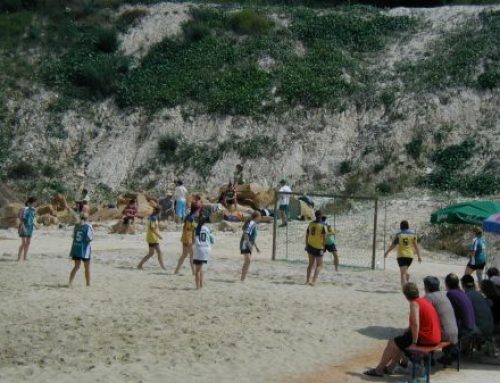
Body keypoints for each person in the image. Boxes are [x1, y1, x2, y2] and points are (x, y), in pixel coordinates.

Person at [364, 283, 441, 377]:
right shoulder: (424, 301)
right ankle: (390, 368)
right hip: (436, 337)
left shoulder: (414, 303)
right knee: (400, 343)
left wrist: (414, 342)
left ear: (406, 295)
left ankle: (378, 370)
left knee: (392, 343)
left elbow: (416, 324)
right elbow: (418, 322)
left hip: (426, 338)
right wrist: (408, 330)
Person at [384, 220, 422, 289]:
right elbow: (416, 246)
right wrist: (419, 256)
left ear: (400, 227)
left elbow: (393, 245)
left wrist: (387, 252)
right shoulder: (413, 235)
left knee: (402, 274)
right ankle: (407, 280)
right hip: (410, 256)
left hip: (401, 255)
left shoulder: (399, 235)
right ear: (408, 226)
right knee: (404, 272)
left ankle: (404, 289)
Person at [423, 276, 458, 345]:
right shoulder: (443, 295)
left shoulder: (428, 298)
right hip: (455, 332)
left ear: (426, 287)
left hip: (445, 335)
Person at [174, 203, 201, 275]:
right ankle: (193, 272)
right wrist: (193, 238)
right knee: (191, 255)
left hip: (186, 236)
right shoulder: (191, 218)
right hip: (188, 237)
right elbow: (189, 228)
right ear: (197, 210)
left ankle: (176, 270)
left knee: (184, 254)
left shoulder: (190, 216)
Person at [68, 214, 94, 287]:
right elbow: (90, 238)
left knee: (76, 266)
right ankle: (88, 284)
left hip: (76, 248)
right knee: (87, 267)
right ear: (87, 218)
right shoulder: (88, 226)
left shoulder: (76, 226)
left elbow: (73, 236)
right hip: (85, 250)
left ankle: (70, 282)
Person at [305, 211, 326, 286]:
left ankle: (307, 281)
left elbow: (307, 235)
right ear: (321, 216)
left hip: (310, 245)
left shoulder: (311, 224)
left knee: (310, 264)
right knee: (319, 265)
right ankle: (313, 281)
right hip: (318, 247)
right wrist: (324, 247)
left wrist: (306, 245)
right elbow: (324, 238)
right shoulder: (323, 225)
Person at [193, 216, 214, 290]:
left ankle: (197, 287)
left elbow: (193, 241)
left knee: (197, 270)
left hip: (198, 250)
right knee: (201, 267)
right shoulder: (208, 229)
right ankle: (201, 285)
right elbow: (212, 240)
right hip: (206, 250)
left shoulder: (196, 229)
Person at [240, 211, 261, 282]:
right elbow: (245, 233)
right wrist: (248, 243)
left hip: (248, 244)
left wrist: (256, 247)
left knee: (247, 261)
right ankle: (242, 279)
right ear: (257, 217)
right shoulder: (252, 223)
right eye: (260, 217)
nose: (260, 218)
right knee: (248, 261)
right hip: (245, 243)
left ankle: (243, 278)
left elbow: (252, 237)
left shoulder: (254, 224)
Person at [17, 197, 37, 262]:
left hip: (30, 227)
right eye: (34, 202)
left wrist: (35, 225)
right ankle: (18, 258)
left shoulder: (34, 210)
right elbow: (21, 219)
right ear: (30, 203)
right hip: (23, 226)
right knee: (23, 243)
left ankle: (25, 257)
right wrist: (23, 227)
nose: (36, 203)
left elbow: (33, 219)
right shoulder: (23, 209)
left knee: (28, 242)